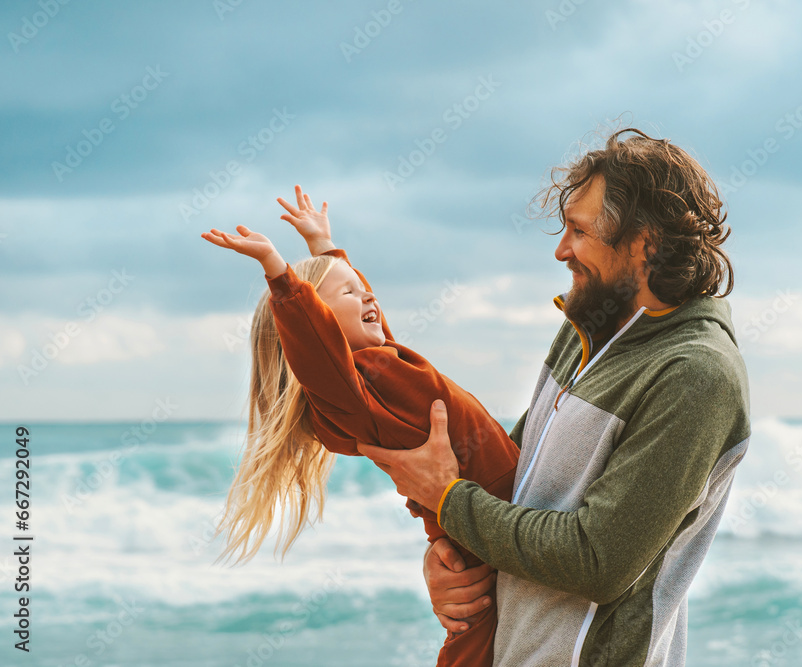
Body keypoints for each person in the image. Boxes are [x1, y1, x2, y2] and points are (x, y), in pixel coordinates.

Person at [359, 128, 752, 666]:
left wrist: (450, 502)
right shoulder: (589, 323)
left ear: (646, 243)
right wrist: (446, 557)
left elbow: (598, 559)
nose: (561, 249)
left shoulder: (696, 374)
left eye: (578, 231)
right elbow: (509, 478)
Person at [200, 186, 520, 667]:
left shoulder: (383, 363)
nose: (368, 294)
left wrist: (327, 250)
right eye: (348, 292)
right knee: (471, 644)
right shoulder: (352, 397)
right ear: (320, 324)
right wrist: (279, 273)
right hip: (477, 532)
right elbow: (315, 344)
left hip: (492, 514)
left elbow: (368, 318)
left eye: (361, 285)